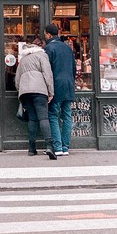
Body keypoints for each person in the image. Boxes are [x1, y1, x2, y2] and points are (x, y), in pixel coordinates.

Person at [15, 38, 57, 159]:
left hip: (25, 92)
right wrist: (51, 92)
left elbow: (17, 80)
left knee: (32, 119)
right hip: (39, 91)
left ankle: (31, 148)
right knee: (43, 118)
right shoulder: (42, 56)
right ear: (40, 47)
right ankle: (49, 146)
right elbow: (47, 75)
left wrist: (21, 90)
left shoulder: (23, 60)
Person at [44, 24, 76, 156]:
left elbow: (47, 70)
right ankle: (65, 147)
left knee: (53, 115)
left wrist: (48, 89)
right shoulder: (68, 48)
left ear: (49, 35)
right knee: (67, 116)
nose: (45, 37)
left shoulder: (49, 48)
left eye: (45, 34)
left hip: (56, 85)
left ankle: (57, 147)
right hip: (68, 85)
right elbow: (73, 68)